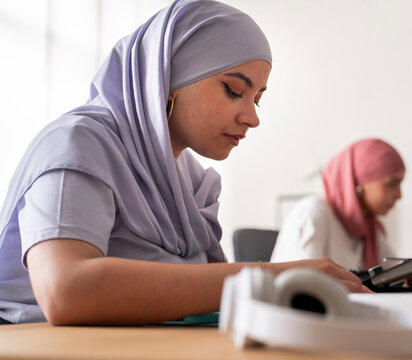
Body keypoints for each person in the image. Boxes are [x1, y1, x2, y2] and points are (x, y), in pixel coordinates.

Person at [0, 0, 370, 326]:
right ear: (167, 80)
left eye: (256, 99)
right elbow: (66, 290)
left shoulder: (190, 180)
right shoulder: (78, 144)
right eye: (234, 90)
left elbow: (210, 296)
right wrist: (272, 277)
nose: (252, 118)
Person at [271, 138, 405, 271]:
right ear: (360, 183)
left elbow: (399, 276)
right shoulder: (313, 212)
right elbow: (302, 283)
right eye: (392, 184)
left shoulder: (371, 229)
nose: (399, 195)